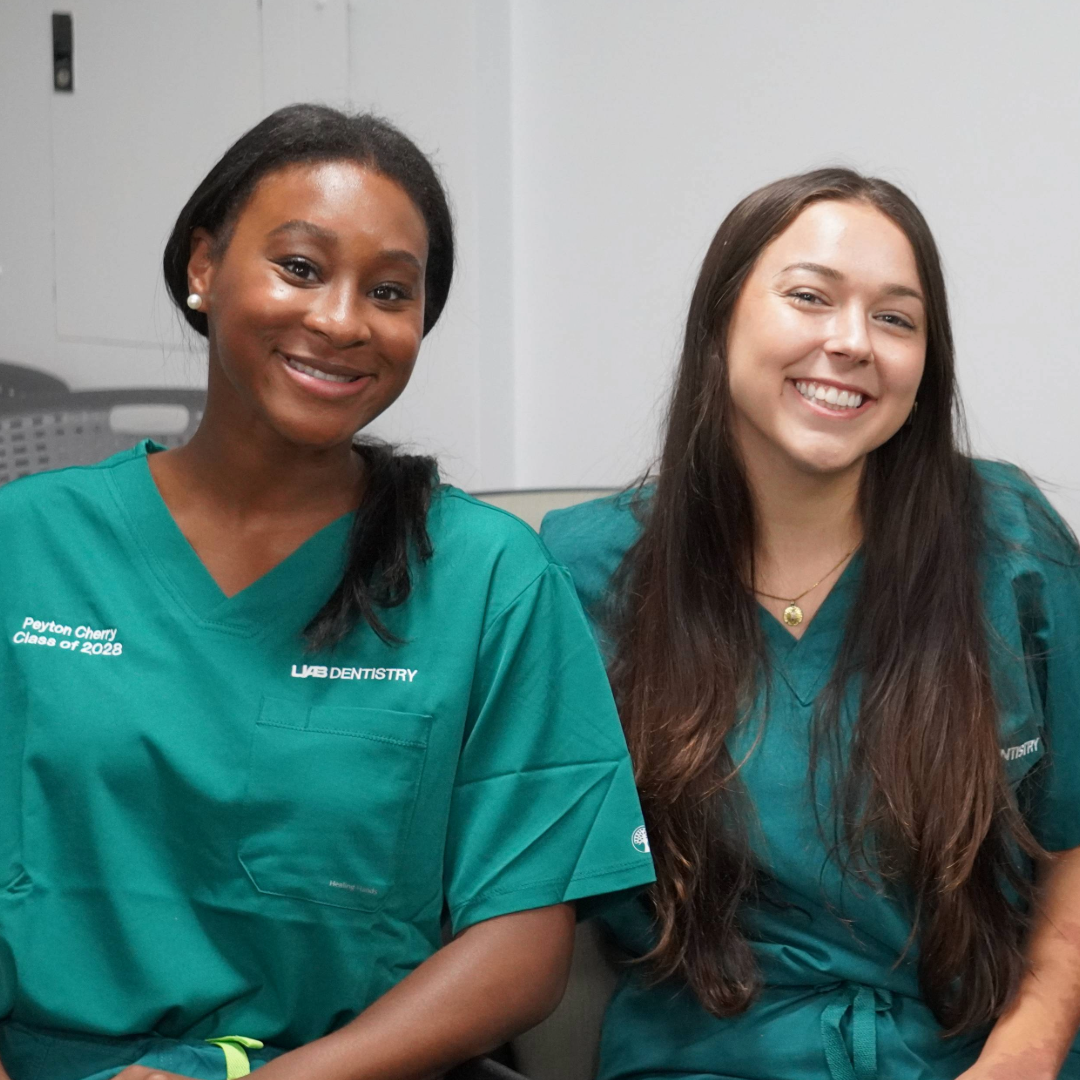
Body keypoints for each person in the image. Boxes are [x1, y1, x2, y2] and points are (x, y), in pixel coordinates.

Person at [0, 104, 654, 1080]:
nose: (342, 321)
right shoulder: (28, 543)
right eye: (300, 267)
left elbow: (520, 953)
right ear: (202, 267)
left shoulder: (486, 579)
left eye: (390, 291)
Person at [541, 168, 1080, 1080]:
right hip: (708, 1058)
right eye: (809, 298)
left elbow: (1072, 843)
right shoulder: (583, 572)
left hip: (977, 1053)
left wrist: (1024, 1053)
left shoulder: (1009, 537)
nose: (852, 342)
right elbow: (523, 882)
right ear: (721, 322)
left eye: (897, 318)